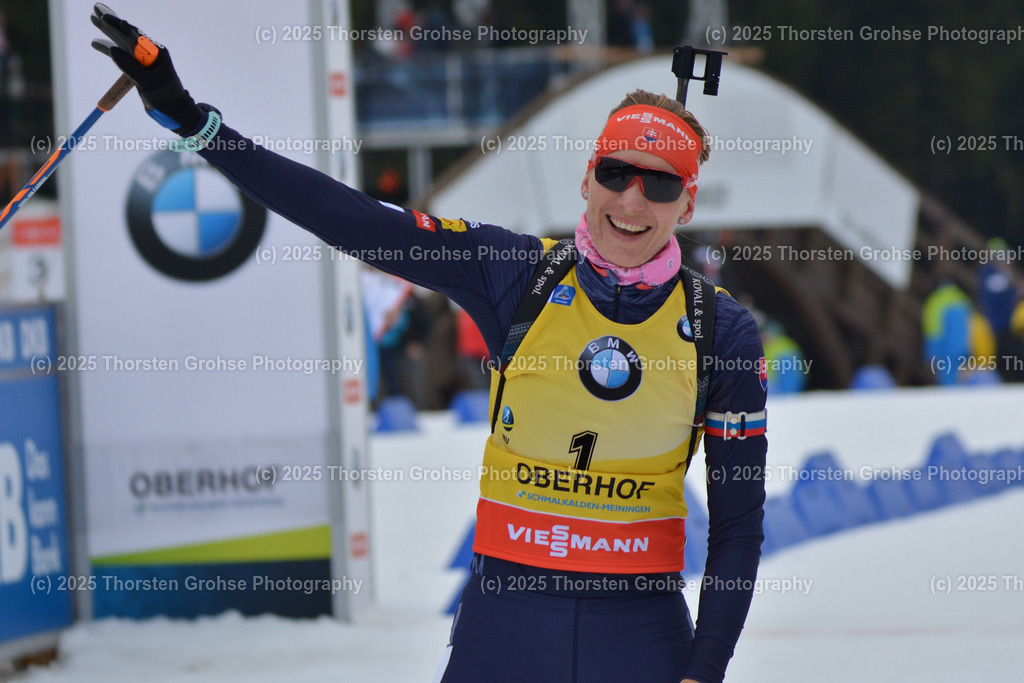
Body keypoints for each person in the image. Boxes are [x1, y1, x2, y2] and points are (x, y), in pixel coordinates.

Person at [92, 6, 767, 682]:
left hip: (640, 636)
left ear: (689, 204)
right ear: (587, 178)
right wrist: (193, 121)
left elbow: (737, 529)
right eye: (618, 173)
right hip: (505, 628)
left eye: (661, 183)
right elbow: (351, 219)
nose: (633, 199)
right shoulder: (515, 273)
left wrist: (704, 671)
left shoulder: (720, 331)